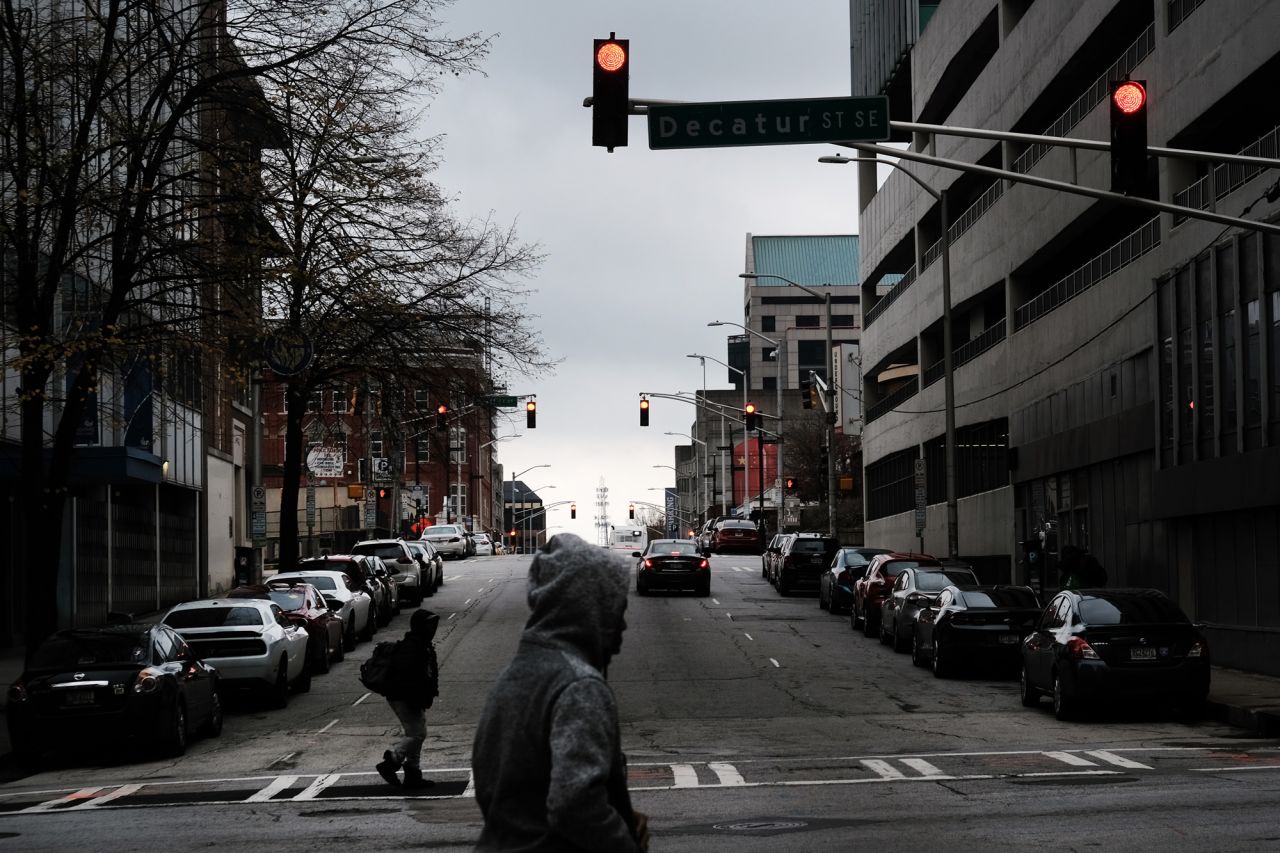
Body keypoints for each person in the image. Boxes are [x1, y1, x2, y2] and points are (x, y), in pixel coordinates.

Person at [471, 533, 649, 852]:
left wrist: (614, 813)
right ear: (589, 608)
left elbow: (497, 790)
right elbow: (574, 803)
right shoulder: (579, 686)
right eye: (616, 609)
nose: (622, 625)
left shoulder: (512, 676)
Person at [375, 608, 439, 790]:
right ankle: (391, 763)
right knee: (417, 733)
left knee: (417, 734)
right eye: (429, 625)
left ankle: (413, 775)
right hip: (404, 697)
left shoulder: (422, 644)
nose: (433, 629)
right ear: (420, 626)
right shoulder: (413, 646)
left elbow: (428, 675)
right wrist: (416, 697)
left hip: (410, 697)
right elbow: (408, 677)